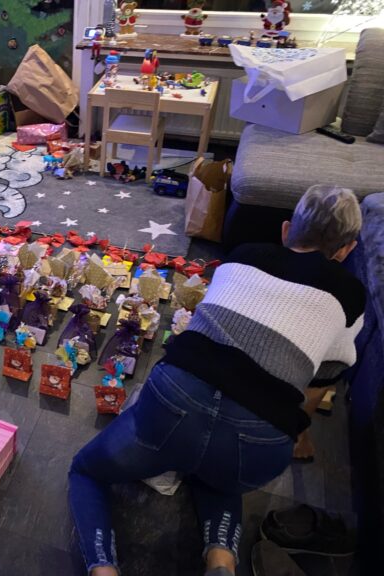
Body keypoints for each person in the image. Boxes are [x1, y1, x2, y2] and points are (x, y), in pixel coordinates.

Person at [69, 185, 365, 576]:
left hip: (175, 398)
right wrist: (298, 433)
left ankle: (103, 570)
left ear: (286, 230)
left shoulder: (242, 256)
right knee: (222, 475)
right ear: (346, 250)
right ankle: (222, 563)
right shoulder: (351, 295)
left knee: (86, 470)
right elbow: (317, 386)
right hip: (258, 440)